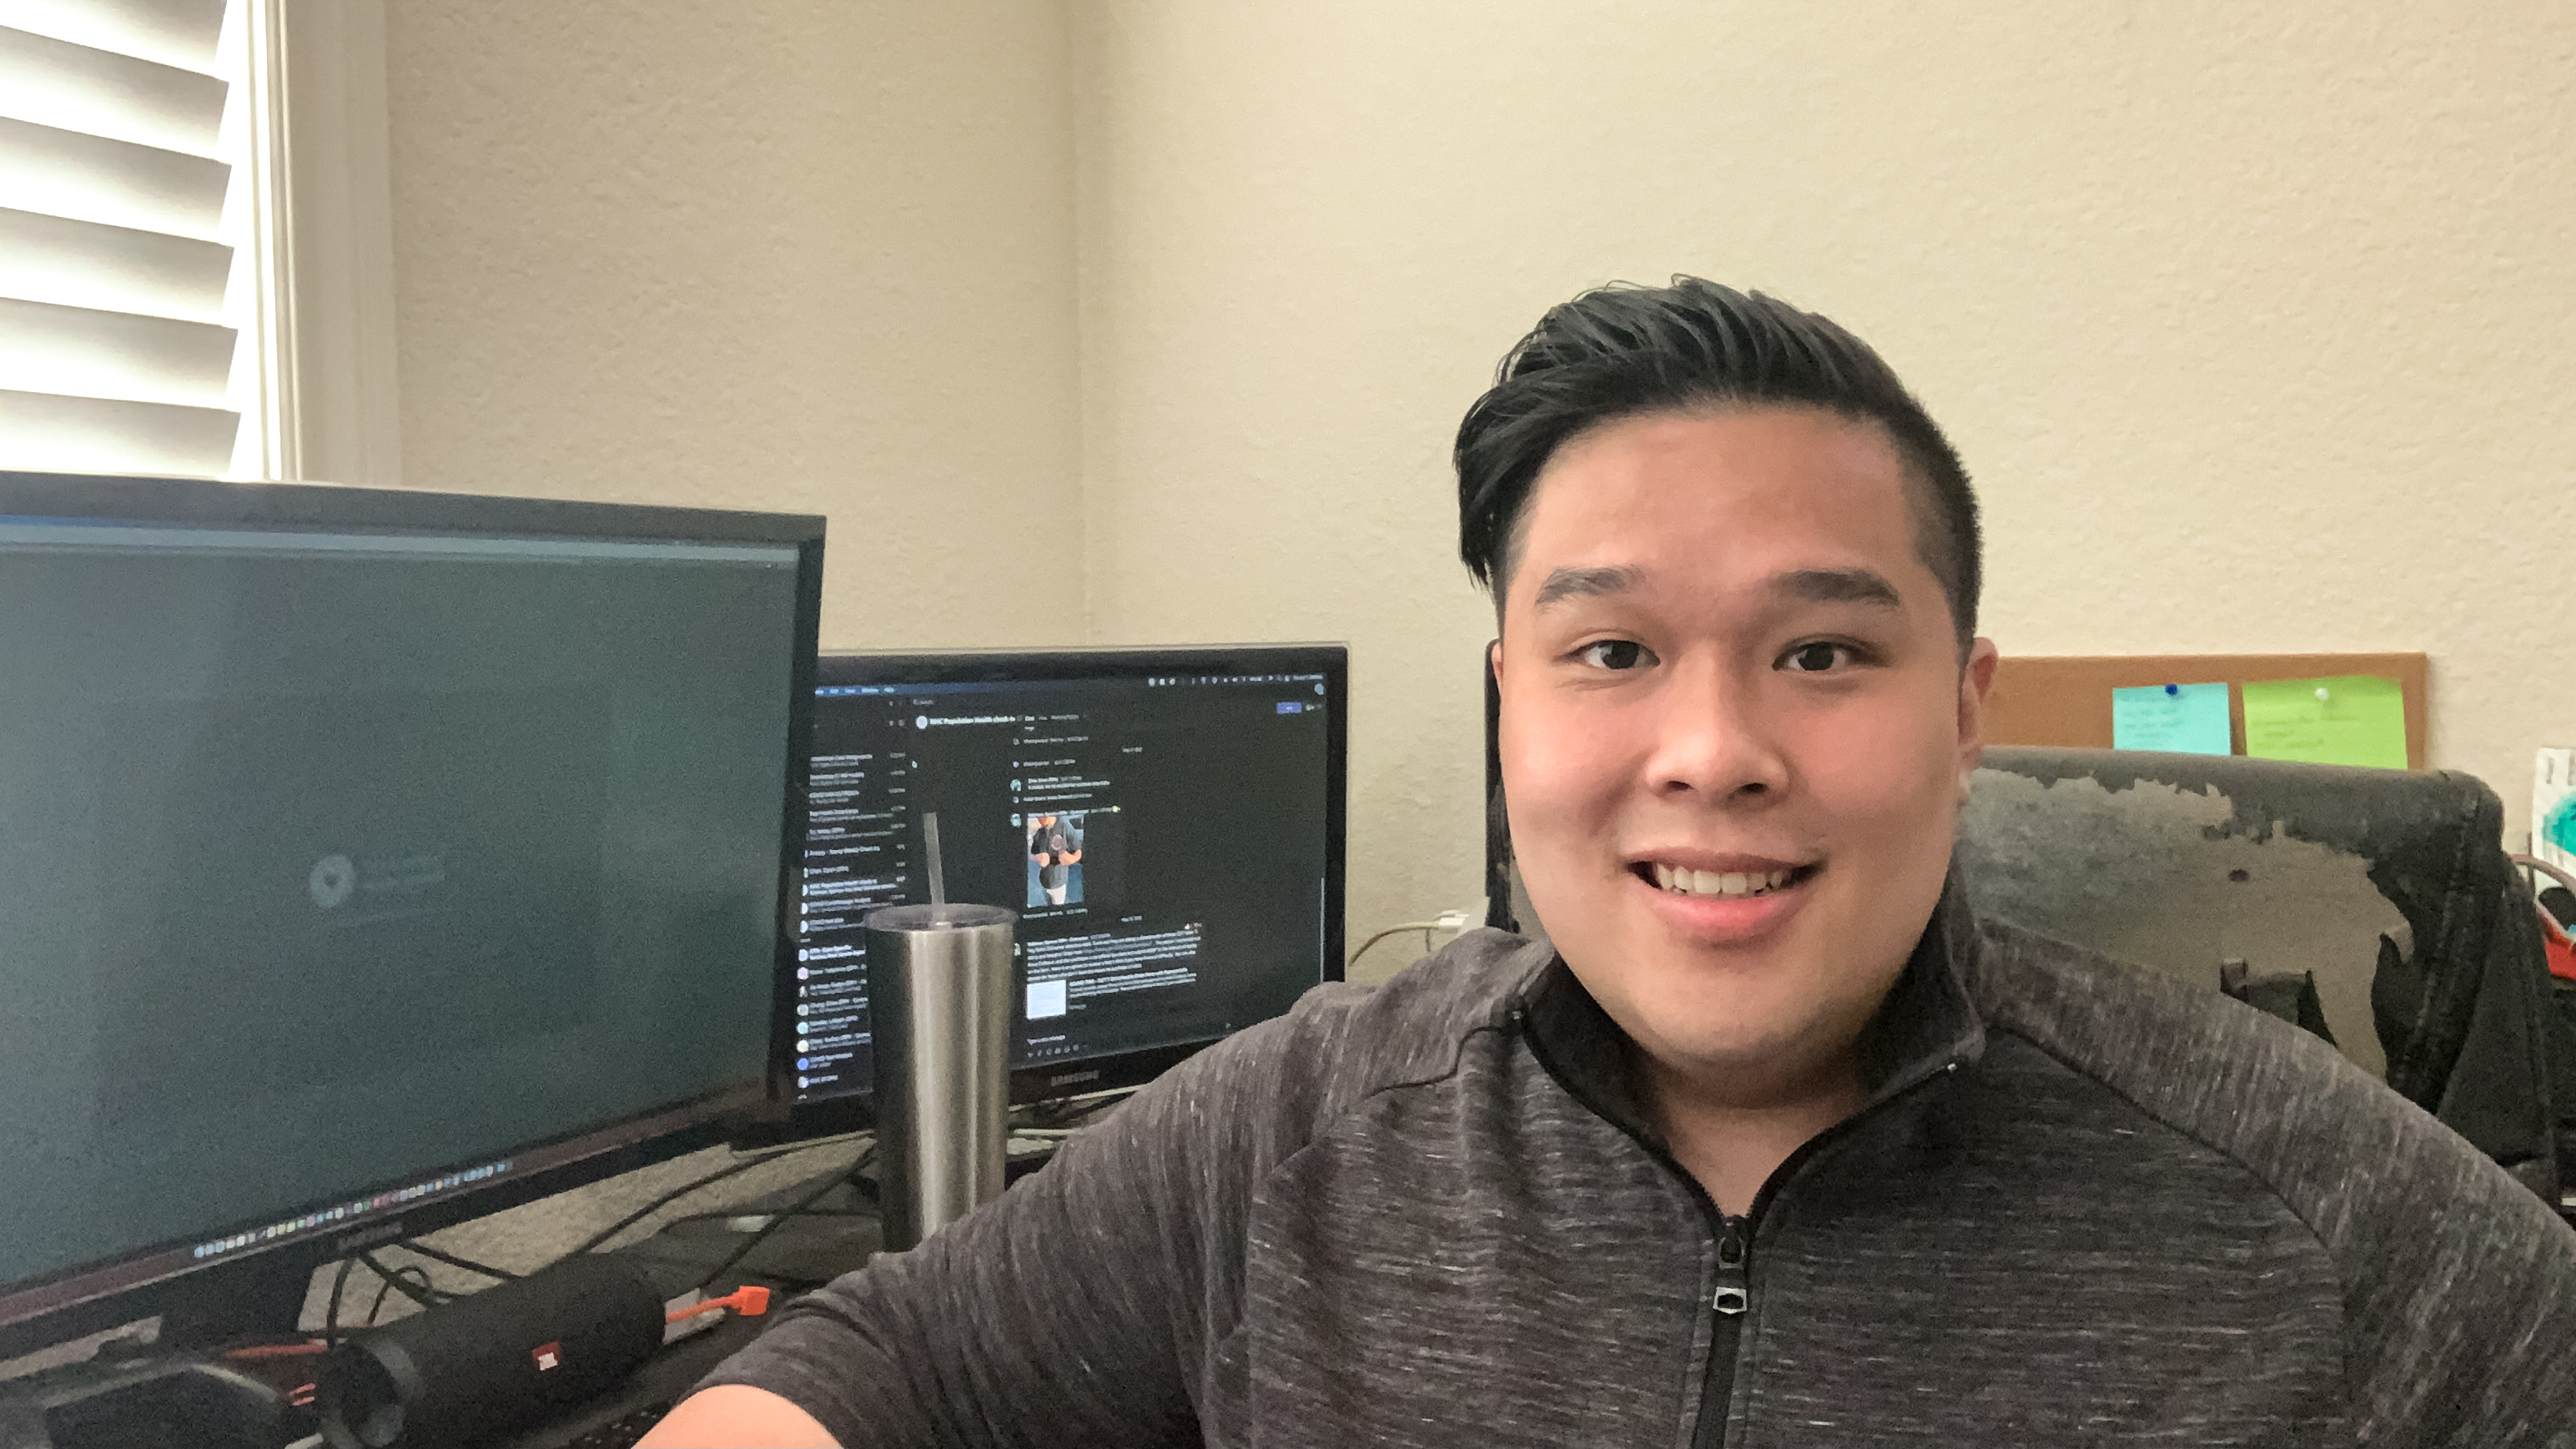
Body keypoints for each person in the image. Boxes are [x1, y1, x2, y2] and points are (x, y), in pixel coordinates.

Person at [642, 279, 2576, 1446]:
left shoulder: (2324, 1214)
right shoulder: (1290, 1134)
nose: (1711, 750)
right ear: (1510, 703)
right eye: (1612, 650)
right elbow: (880, 1368)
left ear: (1963, 706)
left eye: (1821, 652)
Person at [1026, 813, 1083, 907]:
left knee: (1058, 910)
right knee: (1048, 906)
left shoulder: (1065, 827)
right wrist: (1037, 857)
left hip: (1059, 884)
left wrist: (1071, 859)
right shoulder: (1040, 832)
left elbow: (1079, 851)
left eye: (1042, 815)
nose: (1039, 818)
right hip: (1044, 882)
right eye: (1037, 815)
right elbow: (1032, 854)